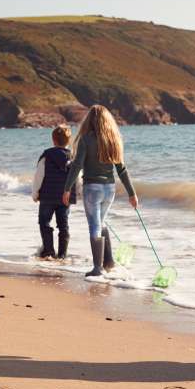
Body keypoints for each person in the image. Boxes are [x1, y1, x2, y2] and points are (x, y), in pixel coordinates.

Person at [62, 105, 138, 277]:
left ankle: (98, 268)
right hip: (109, 189)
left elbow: (77, 165)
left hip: (92, 189)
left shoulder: (85, 139)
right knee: (101, 222)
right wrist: (132, 193)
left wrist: (67, 188)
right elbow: (122, 169)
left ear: (89, 120)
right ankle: (108, 261)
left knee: (95, 225)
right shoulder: (113, 139)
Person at [32, 125, 75, 259]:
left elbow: (39, 176)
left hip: (47, 196)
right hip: (65, 197)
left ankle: (49, 251)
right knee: (63, 225)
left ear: (53, 140)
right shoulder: (73, 157)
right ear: (69, 141)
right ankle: (62, 254)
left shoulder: (47, 155)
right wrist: (78, 192)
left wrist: (35, 193)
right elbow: (77, 176)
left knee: (44, 222)